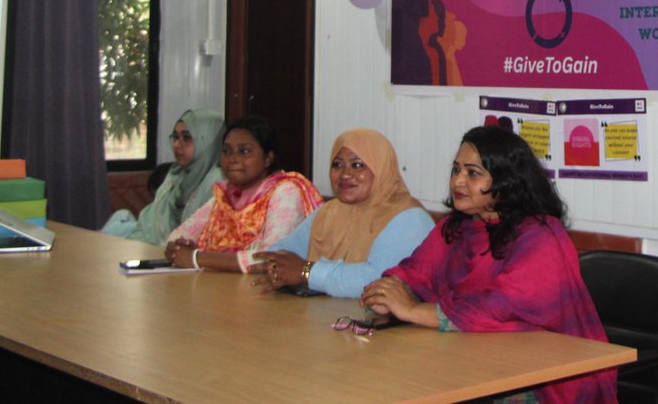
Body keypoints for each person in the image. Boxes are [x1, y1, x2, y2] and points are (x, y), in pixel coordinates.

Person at [362, 126, 616, 404]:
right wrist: (389, 291)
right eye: (456, 170)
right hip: (462, 360)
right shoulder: (455, 227)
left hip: (537, 379)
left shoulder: (542, 234)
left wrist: (410, 309)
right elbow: (414, 270)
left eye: (472, 173)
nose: (457, 182)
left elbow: (499, 306)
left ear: (507, 179)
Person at [252, 128, 435, 296]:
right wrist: (275, 267)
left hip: (388, 329)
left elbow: (378, 280)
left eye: (357, 166)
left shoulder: (409, 218)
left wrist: (306, 271)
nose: (345, 174)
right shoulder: (330, 212)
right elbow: (279, 253)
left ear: (382, 169)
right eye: (337, 165)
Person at [165, 114, 323, 273]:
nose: (233, 159)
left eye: (244, 151)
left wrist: (197, 258)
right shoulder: (226, 193)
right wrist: (179, 248)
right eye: (227, 151)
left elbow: (272, 258)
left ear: (268, 158)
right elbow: (177, 237)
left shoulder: (285, 191)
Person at [103, 110, 224, 245]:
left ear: (208, 140)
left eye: (187, 137)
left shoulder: (219, 182)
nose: (177, 145)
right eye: (175, 137)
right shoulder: (176, 175)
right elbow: (151, 225)